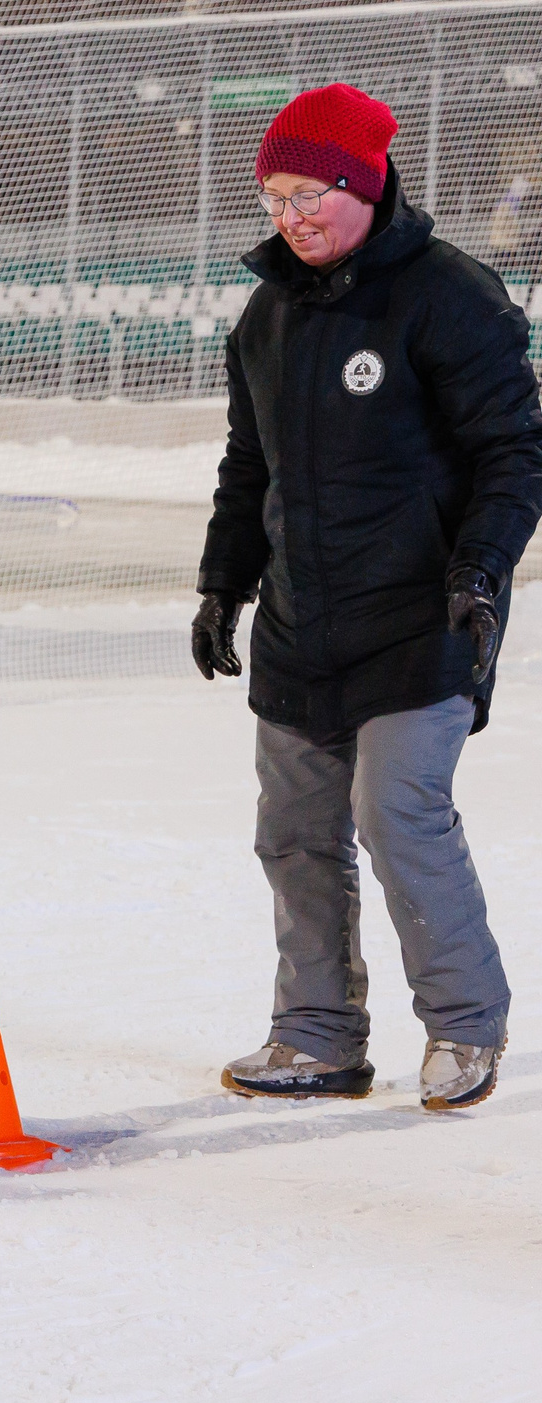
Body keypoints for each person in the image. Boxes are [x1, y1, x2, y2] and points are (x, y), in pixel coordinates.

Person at [194, 83, 542, 1112]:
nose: (291, 215)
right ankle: (315, 1038)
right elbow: (245, 468)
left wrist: (480, 571)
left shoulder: (446, 295)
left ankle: (463, 1028)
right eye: (273, 197)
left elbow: (513, 456)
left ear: (363, 182)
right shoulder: (267, 316)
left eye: (310, 193)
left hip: (423, 615)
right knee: (293, 832)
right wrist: (224, 584)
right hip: (303, 621)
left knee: (397, 815)